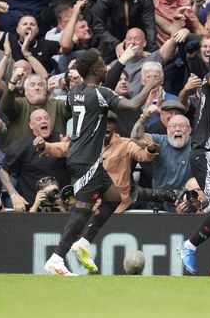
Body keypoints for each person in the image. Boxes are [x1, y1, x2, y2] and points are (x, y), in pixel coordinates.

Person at [41, 49, 160, 276]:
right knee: (83, 210)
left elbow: (103, 87)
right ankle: (56, 258)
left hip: (83, 156)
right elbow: (133, 105)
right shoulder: (100, 93)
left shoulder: (75, 92)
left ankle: (83, 243)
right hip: (86, 160)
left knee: (114, 197)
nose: (107, 67)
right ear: (95, 70)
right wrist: (150, 85)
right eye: (103, 64)